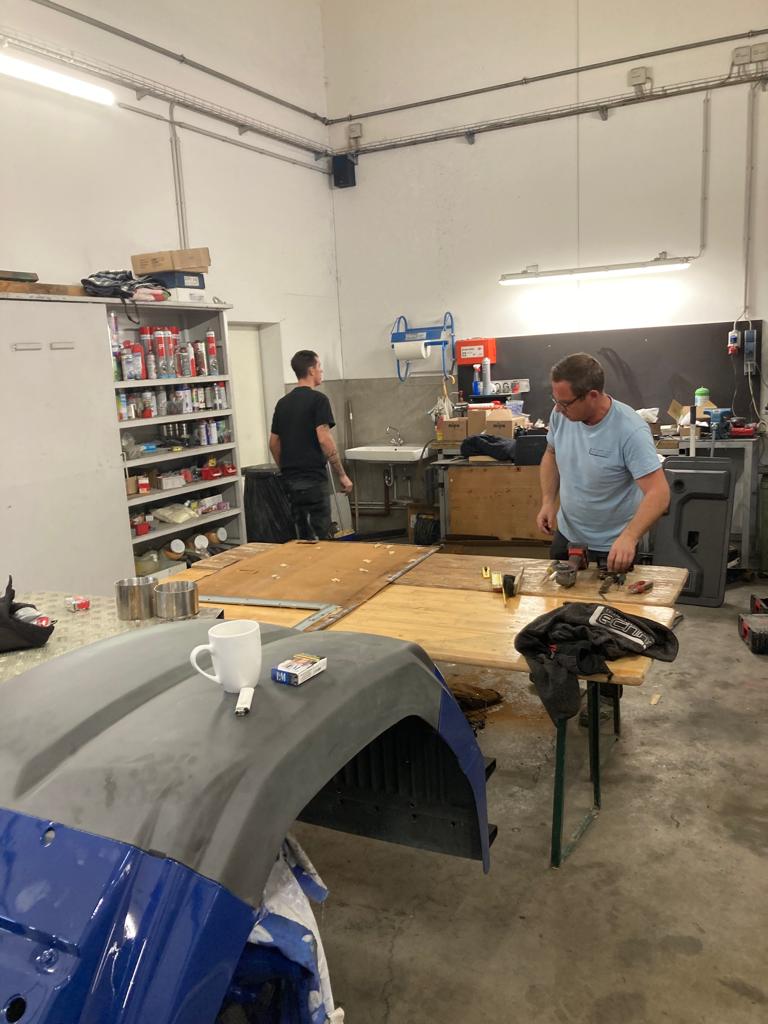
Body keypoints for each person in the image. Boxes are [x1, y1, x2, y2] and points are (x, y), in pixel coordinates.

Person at [537, 352, 670, 571]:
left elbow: (659, 493)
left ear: (592, 395)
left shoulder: (630, 430)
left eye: (565, 403)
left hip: (614, 546)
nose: (558, 408)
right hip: (568, 536)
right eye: (556, 401)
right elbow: (551, 453)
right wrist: (548, 501)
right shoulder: (560, 415)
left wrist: (630, 536)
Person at [269, 350, 353, 541]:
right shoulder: (319, 400)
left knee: (301, 537)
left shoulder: (282, 404)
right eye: (319, 366)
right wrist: (342, 474)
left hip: (290, 483)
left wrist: (286, 469)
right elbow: (324, 439)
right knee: (321, 536)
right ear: (311, 370)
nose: (321, 370)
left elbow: (273, 443)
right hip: (314, 480)